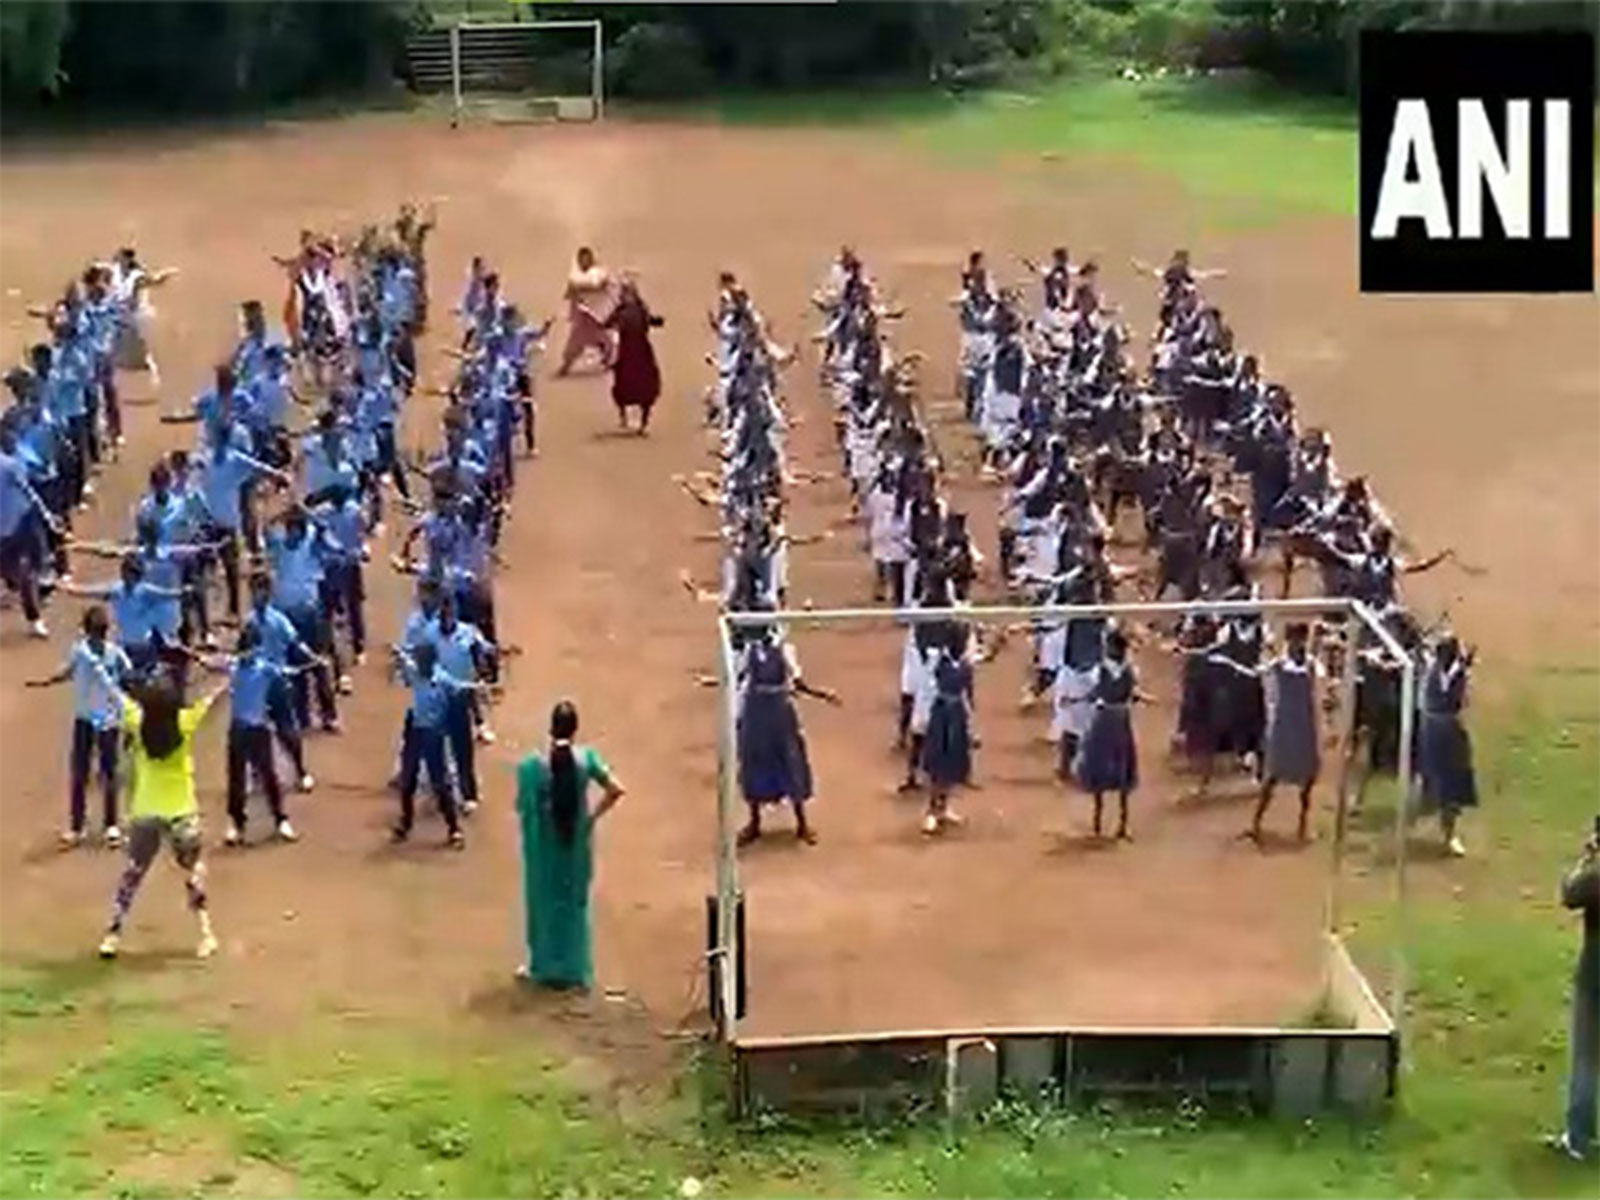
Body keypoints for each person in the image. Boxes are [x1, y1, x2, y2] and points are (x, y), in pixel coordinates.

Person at [98, 674, 226, 960]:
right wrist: (226, 677)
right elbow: (211, 701)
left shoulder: (137, 720)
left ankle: (112, 935)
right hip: (182, 811)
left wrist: (101, 672)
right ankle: (206, 934)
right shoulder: (184, 723)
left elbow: (116, 695)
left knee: (132, 874)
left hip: (146, 810)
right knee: (192, 874)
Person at [515, 700, 624, 990]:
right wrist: (591, 818)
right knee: (574, 906)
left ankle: (543, 965)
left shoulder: (531, 766)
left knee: (543, 904)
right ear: (575, 730)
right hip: (576, 846)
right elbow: (616, 789)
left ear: (551, 729)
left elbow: (524, 809)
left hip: (543, 848)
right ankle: (574, 968)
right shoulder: (586, 759)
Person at [26, 606, 132, 848]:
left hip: (107, 721)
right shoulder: (81, 652)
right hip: (85, 719)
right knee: (80, 774)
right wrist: (48, 680)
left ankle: (110, 824)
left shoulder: (112, 654)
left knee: (108, 774)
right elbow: (68, 671)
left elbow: (127, 676)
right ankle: (78, 826)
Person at [1551, 819, 1599, 1161]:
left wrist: (1588, 858)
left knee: (1586, 1056)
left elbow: (1569, 892)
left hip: (1596, 974)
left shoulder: (1595, 880)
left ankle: (1578, 1137)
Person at [1249, 622, 1322, 843]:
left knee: (1307, 780)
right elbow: (1260, 670)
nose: (1297, 643)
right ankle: (1256, 823)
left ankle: (1303, 824)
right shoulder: (1280, 663)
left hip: (1304, 725)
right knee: (1272, 777)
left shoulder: (1310, 663)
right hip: (1285, 725)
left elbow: (1319, 671)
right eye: (1294, 639)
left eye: (1301, 639)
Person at [603, 279, 664, 434]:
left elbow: (648, 321)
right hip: (631, 352)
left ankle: (642, 422)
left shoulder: (636, 309)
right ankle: (624, 417)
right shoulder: (626, 309)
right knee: (625, 386)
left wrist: (655, 321)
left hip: (637, 352)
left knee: (644, 387)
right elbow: (608, 323)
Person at [557, 247, 613, 375]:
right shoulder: (576, 276)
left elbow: (601, 285)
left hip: (596, 314)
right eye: (581, 259)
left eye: (587, 258)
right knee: (576, 342)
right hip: (583, 317)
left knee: (604, 340)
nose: (584, 262)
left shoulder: (598, 273)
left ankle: (609, 361)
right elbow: (569, 293)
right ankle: (566, 366)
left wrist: (583, 288)